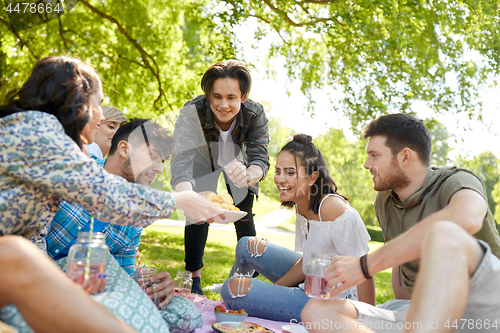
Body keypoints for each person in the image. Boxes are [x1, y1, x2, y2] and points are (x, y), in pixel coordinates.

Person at [0, 56, 223, 332]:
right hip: (18, 269)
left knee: (183, 312)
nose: (103, 115)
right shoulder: (37, 131)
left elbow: (122, 272)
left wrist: (145, 286)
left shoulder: (52, 144)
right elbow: (105, 196)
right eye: (97, 103)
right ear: (75, 101)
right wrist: (179, 200)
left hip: (54, 277)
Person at [300, 113, 500, 332]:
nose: (367, 165)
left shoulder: (457, 181)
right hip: (422, 314)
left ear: (405, 156)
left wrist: (365, 265)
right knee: (318, 311)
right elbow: (400, 268)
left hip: (483, 306)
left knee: (443, 233)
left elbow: (465, 218)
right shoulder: (385, 199)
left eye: (374, 155)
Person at [46, 117, 201, 333]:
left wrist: (151, 287)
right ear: (124, 149)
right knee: (101, 262)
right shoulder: (78, 171)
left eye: (162, 161)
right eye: (153, 157)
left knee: (186, 312)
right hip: (41, 280)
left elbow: (124, 277)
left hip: (94, 295)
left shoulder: (135, 219)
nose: (158, 169)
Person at [219, 134, 374, 322]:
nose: (280, 179)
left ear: (312, 177)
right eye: (278, 171)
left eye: (290, 173)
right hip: (312, 281)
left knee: (232, 289)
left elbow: (365, 268)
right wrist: (275, 292)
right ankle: (241, 298)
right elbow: (306, 262)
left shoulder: (333, 209)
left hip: (333, 303)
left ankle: (239, 295)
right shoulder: (302, 205)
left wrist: (367, 320)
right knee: (247, 245)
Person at [171, 59, 270, 295]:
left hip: (239, 162)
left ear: (243, 97)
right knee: (197, 214)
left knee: (244, 213)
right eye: (216, 97)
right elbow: (181, 160)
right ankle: (194, 277)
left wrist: (249, 175)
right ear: (208, 96)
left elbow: (260, 157)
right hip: (202, 159)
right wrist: (187, 197)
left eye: (231, 98)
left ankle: (246, 278)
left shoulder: (255, 113)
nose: (223, 105)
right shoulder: (192, 111)